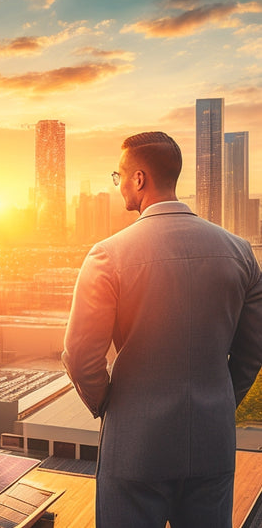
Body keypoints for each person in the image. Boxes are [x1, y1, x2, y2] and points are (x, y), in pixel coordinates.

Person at [62, 131, 262, 527]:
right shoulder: (241, 252)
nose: (118, 185)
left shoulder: (107, 255)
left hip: (136, 447)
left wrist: (111, 406)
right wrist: (218, 402)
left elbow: (81, 358)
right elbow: (252, 352)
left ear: (139, 179)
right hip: (212, 444)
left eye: (118, 176)